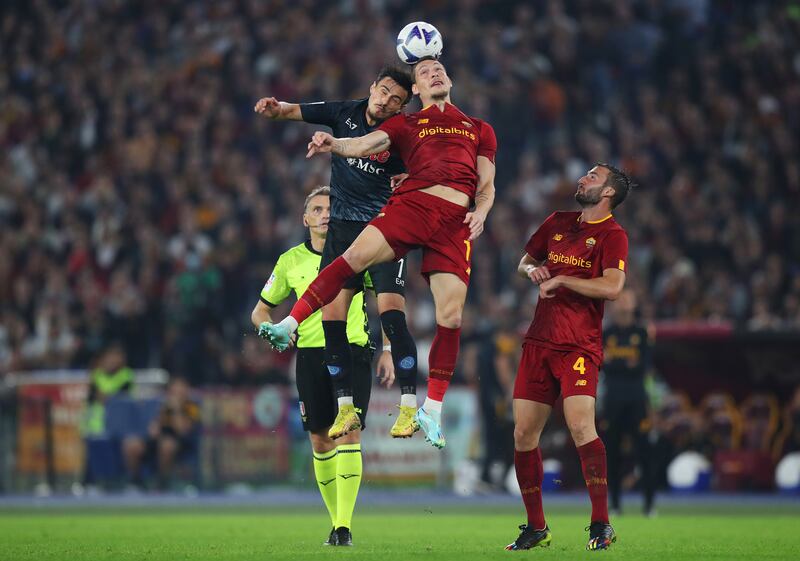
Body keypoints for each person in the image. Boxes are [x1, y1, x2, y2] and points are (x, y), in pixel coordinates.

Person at [260, 57, 497, 449]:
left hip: (455, 222)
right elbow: (364, 143)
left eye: (438, 68)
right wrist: (332, 143)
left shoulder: (479, 129)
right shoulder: (405, 124)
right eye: (424, 72)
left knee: (451, 316)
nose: (433, 73)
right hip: (412, 207)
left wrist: (483, 212)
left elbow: (486, 183)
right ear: (416, 92)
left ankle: (430, 409)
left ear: (449, 79)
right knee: (349, 261)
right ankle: (290, 324)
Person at [254, 66, 420, 441]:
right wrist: (274, 107)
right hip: (343, 233)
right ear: (372, 87)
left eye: (397, 100)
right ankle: (345, 406)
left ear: (402, 106)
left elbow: (425, 168)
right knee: (333, 318)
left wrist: (412, 178)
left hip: (383, 232)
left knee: (392, 315)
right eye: (385, 92)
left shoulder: (401, 133)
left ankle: (409, 408)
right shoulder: (343, 112)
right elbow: (294, 110)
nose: (387, 102)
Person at [251, 187, 394, 547]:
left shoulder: (357, 253)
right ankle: (336, 522)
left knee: (348, 430)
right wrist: (269, 330)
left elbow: (387, 299)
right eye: (316, 208)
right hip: (311, 355)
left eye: (331, 208)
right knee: (320, 438)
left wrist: (390, 347)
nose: (325, 214)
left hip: (352, 350)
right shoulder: (290, 261)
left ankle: (343, 526)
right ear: (306, 219)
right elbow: (260, 311)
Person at [506, 163, 632, 551]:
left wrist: (562, 279)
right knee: (524, 434)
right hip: (539, 341)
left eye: (592, 177)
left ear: (608, 192)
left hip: (578, 345)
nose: (582, 179)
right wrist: (534, 271)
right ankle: (536, 526)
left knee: (581, 427)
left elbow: (612, 287)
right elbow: (524, 262)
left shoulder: (613, 236)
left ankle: (601, 523)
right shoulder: (557, 221)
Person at [602, 289, 656, 516]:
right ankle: (614, 504)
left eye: (628, 297)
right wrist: (624, 365)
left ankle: (649, 505)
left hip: (636, 399)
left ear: (634, 304)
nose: (623, 301)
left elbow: (642, 366)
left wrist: (616, 364)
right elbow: (604, 365)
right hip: (613, 400)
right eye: (619, 298)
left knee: (644, 452)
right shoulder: (607, 333)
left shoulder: (643, 333)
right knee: (611, 454)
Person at [122, 376, 200, 490]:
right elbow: (153, 429)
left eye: (181, 388)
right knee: (131, 444)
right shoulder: (163, 405)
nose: (178, 392)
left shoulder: (192, 407)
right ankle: (135, 481)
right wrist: (158, 421)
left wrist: (176, 408)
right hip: (157, 440)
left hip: (180, 442)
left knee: (167, 446)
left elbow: (183, 430)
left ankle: (162, 482)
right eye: (175, 388)